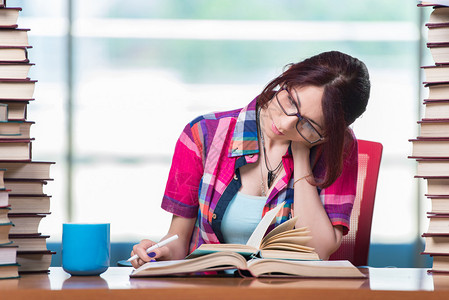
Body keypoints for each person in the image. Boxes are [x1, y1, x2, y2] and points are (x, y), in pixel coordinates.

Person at [130, 50, 371, 268]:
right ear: (288, 77)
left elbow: (318, 251)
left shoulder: (337, 148)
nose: (286, 123)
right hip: (208, 291)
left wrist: (300, 153)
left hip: (291, 293)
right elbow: (179, 240)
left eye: (308, 124)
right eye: (290, 101)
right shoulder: (203, 134)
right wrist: (159, 254)